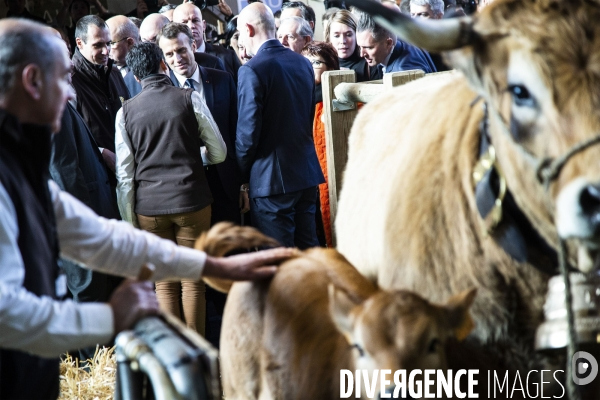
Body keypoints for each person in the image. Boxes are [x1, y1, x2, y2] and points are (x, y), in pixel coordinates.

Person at [0, 19, 292, 400]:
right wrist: (110, 318)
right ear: (32, 80)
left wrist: (213, 266)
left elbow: (98, 238)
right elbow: (8, 313)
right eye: (63, 78)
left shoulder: (21, 165)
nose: (70, 93)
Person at [115, 41, 226, 335]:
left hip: (149, 209)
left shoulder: (125, 113)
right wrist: (198, 157)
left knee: (164, 284)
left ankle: (177, 360)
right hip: (192, 200)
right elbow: (220, 152)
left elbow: (125, 175)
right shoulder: (189, 98)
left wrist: (130, 220)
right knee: (192, 282)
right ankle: (198, 356)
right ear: (163, 64)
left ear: (136, 77)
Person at [236, 3, 324, 249]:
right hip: (305, 173)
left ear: (248, 29)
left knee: (278, 262)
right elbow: (306, 117)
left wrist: (241, 177)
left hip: (270, 181)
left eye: (241, 34)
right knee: (309, 252)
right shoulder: (303, 63)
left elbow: (247, 135)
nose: (242, 41)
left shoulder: (252, 70)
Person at [71, 15, 130, 172]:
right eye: (98, 45)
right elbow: (68, 137)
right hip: (94, 174)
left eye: (109, 43)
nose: (106, 51)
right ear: (79, 43)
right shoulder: (70, 81)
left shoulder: (115, 73)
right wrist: (100, 152)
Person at [301, 41, 339, 248]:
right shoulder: (300, 97)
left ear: (331, 67)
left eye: (315, 62)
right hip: (308, 182)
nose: (308, 66)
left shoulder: (340, 98)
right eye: (305, 61)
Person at [356, 11, 436, 80]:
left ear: (388, 43)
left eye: (369, 47)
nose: (362, 54)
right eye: (360, 47)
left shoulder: (403, 72)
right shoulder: (404, 41)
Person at [173, 2, 241, 82]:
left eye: (195, 20)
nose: (191, 26)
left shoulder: (228, 56)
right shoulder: (171, 62)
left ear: (204, 25)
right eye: (184, 22)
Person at [140, 14, 227, 72]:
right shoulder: (147, 73)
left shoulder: (212, 64)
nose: (151, 46)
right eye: (146, 41)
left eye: (155, 39)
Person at [325, 9, 369, 82]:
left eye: (348, 35)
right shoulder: (323, 65)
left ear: (357, 35)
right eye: (336, 36)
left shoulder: (369, 64)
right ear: (329, 38)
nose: (343, 41)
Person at [106, 16, 141, 96]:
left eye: (110, 43)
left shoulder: (150, 67)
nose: (105, 50)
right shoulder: (105, 72)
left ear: (129, 43)